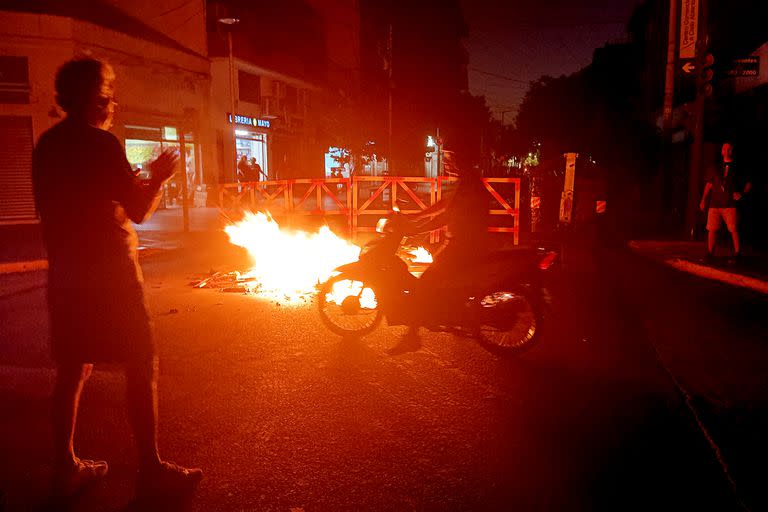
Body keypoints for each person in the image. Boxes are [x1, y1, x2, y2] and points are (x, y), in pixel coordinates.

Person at [32, 58, 202, 500]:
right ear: (96, 97)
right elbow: (140, 210)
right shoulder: (102, 144)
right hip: (110, 275)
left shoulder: (47, 145)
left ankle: (65, 466)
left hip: (67, 275)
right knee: (141, 363)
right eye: (109, 90)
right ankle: (151, 468)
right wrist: (160, 178)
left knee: (73, 369)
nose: (113, 100)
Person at [388, 167, 490, 354]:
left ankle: (412, 336)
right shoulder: (465, 181)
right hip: (460, 242)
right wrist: (417, 217)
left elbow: (447, 216)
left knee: (425, 283)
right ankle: (454, 313)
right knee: (440, 279)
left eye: (451, 157)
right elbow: (445, 205)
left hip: (463, 245)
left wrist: (418, 228)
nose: (448, 164)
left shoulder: (468, 185)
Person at [699, 142, 751, 263]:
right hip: (714, 203)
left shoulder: (738, 167)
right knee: (711, 228)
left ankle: (738, 254)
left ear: (731, 151)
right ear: (722, 151)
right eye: (724, 148)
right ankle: (710, 253)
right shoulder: (715, 167)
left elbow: (748, 183)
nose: (726, 151)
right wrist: (703, 199)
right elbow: (709, 184)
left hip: (729, 204)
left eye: (729, 149)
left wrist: (742, 194)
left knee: (733, 229)